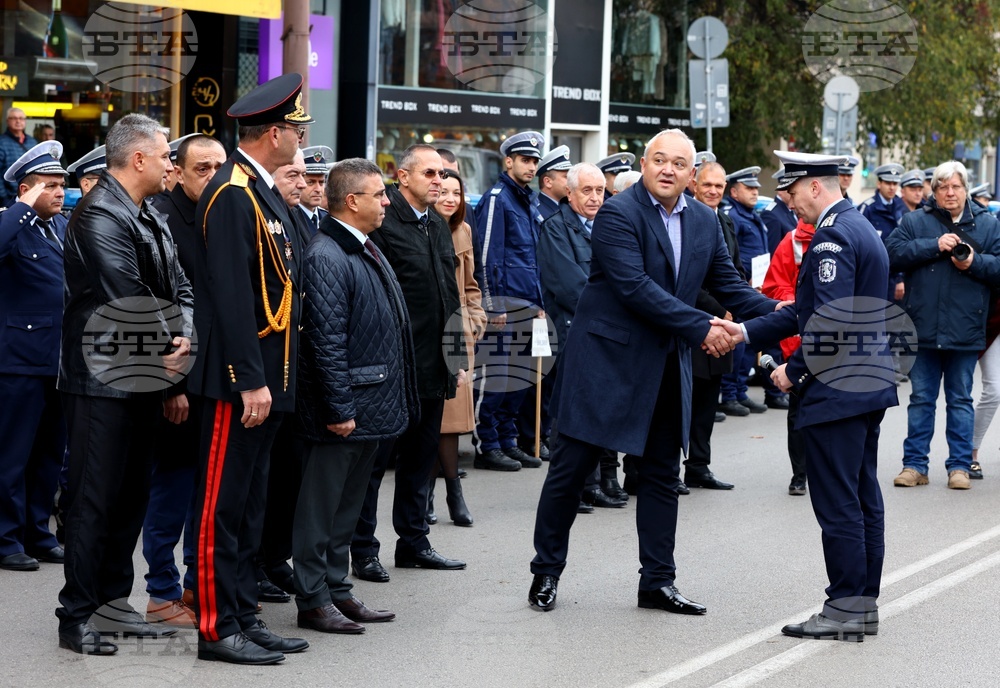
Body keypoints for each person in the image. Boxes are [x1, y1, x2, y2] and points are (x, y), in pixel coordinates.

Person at [527, 129, 778, 614]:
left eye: (678, 163)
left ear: (692, 173)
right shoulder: (618, 212)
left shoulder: (704, 221)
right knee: (570, 470)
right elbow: (635, 288)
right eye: (659, 160)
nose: (668, 169)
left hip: (664, 362)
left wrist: (786, 313)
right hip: (605, 361)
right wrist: (701, 327)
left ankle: (657, 582)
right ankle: (546, 572)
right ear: (644, 164)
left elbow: (728, 285)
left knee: (662, 475)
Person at [714, 150, 898, 641]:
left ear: (815, 186)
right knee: (862, 498)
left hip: (837, 389)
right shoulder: (860, 227)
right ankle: (862, 603)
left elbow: (829, 323)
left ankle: (844, 607)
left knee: (840, 502)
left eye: (792, 195)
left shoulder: (831, 237)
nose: (791, 206)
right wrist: (746, 332)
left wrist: (793, 371)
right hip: (865, 384)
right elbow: (804, 309)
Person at [187, 73, 313, 665]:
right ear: (275, 134)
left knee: (248, 507)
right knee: (221, 506)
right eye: (295, 129)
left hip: (268, 377)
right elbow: (233, 295)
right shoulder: (233, 192)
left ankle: (242, 614)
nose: (299, 140)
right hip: (239, 381)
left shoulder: (258, 191)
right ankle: (215, 626)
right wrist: (251, 379)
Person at [56, 113, 193, 655]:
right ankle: (77, 616)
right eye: (165, 156)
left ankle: (113, 606)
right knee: (94, 500)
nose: (170, 165)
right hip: (100, 381)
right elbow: (127, 296)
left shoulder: (149, 214)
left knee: (130, 499)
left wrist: (183, 339)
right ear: (138, 159)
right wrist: (176, 345)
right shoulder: (97, 215)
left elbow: (180, 287)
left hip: (144, 376)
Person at [293, 158, 414, 634]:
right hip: (345, 409)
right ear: (352, 202)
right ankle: (313, 597)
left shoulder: (361, 247)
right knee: (320, 507)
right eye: (378, 194)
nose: (386, 201)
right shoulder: (327, 255)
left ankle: (337, 590)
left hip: (370, 402)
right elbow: (325, 340)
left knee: (347, 505)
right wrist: (339, 408)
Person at [351, 143, 466, 582]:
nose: (440, 181)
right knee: (374, 465)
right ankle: (363, 549)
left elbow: (450, 296)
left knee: (421, 462)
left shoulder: (437, 225)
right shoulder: (384, 222)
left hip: (433, 366)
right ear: (403, 177)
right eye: (431, 174)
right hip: (392, 368)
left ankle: (414, 543)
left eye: (443, 174)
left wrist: (455, 355)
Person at [144, 134, 227, 629]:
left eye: (220, 166)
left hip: (216, 378)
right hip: (178, 380)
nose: (213, 175)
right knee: (172, 491)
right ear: (176, 169)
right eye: (202, 167)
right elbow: (159, 309)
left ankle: (198, 586)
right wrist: (171, 386)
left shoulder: (221, 213)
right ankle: (161, 591)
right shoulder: (163, 217)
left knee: (205, 493)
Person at [886, 161, 1000, 491]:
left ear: (966, 189)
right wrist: (933, 245)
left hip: (965, 329)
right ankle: (914, 466)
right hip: (922, 328)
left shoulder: (989, 225)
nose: (950, 192)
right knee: (921, 399)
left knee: (961, 400)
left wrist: (972, 262)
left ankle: (960, 467)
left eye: (956, 186)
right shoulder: (914, 221)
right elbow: (889, 255)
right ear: (933, 192)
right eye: (942, 187)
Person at [536, 163, 625, 509]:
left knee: (599, 410)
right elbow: (571, 285)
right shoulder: (555, 228)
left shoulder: (608, 225)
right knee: (571, 413)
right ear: (569, 193)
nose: (594, 197)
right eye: (586, 190)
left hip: (605, 332)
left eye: (599, 190)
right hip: (574, 330)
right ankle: (569, 487)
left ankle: (594, 483)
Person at [0, 141, 70, 572]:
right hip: (19, 359)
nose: (60, 191)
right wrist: (23, 204)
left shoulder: (60, 227)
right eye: (50, 185)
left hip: (58, 358)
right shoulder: (13, 225)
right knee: (13, 454)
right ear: (26, 189)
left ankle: (37, 534)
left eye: (62, 183)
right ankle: (6, 539)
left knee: (48, 453)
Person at [255, 148, 311, 604]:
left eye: (304, 175)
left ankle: (274, 558)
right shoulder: (264, 214)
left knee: (287, 472)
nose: (301, 182)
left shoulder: (299, 218)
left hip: (295, 367)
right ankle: (255, 565)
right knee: (261, 479)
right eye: (292, 174)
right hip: (267, 366)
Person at [473, 131, 547, 472]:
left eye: (534, 161)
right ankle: (487, 444)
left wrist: (540, 303)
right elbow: (488, 255)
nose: (531, 167)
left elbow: (533, 259)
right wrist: (492, 306)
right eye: (525, 160)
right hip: (504, 307)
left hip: (528, 305)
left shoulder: (526, 200)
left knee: (517, 380)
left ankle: (507, 441)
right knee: (497, 378)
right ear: (509, 162)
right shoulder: (498, 198)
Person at [681, 160, 744, 492]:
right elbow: (686, 279)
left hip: (723, 322)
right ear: (694, 183)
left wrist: (740, 304)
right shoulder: (686, 217)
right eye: (708, 185)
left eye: (719, 186)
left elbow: (733, 270)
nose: (714, 191)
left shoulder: (725, 220)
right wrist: (721, 309)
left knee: (707, 401)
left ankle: (698, 466)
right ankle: (658, 469)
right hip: (693, 320)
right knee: (680, 402)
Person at [433, 169, 485, 526]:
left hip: (456, 331)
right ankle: (422, 498)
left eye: (457, 192)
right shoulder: (418, 229)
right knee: (426, 422)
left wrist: (474, 320)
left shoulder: (463, 230)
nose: (450, 198)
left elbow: (471, 285)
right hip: (424, 330)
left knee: (450, 423)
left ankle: (454, 492)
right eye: (444, 191)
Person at [517, 144, 573, 459]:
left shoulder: (560, 211)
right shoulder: (540, 210)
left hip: (550, 306)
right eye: (564, 175)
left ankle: (544, 433)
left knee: (551, 377)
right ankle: (532, 435)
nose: (569, 180)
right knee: (538, 375)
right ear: (548, 181)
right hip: (543, 302)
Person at [721, 166, 787, 413]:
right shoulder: (734, 216)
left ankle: (739, 391)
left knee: (748, 343)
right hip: (741, 288)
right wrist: (745, 281)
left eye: (756, 188)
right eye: (749, 188)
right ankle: (729, 394)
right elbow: (731, 256)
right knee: (737, 344)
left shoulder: (753, 215)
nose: (755, 192)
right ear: (735, 191)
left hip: (756, 289)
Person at [761, 209, 815, 496]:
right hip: (797, 341)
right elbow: (772, 284)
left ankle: (823, 472)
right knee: (797, 413)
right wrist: (794, 301)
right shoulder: (791, 240)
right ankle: (800, 474)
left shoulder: (843, 236)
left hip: (829, 341)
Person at [0, 108, 37, 205]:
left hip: (30, 195)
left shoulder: (32, 142)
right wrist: (3, 197)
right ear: (7, 121)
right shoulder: (1, 142)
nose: (18, 121)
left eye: (21, 118)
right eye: (14, 118)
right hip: (8, 197)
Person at [297, 145, 333, 236]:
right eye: (311, 182)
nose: (318, 189)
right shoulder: (290, 216)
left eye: (321, 183)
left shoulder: (327, 217)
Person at [760, 168, 797, 253]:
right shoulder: (771, 214)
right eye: (791, 189)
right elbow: (773, 252)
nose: (795, 192)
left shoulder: (790, 209)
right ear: (781, 190)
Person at [534, 145, 572, 219]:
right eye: (566, 177)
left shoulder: (567, 208)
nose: (571, 181)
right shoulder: (537, 212)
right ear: (548, 182)